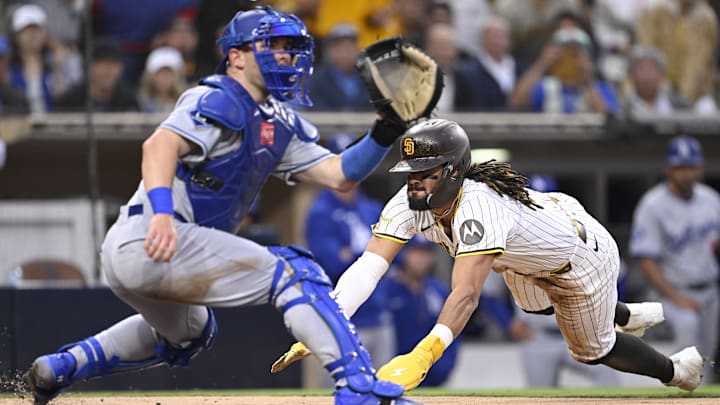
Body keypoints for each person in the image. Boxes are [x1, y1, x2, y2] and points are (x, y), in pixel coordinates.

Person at [22, 6, 418, 405]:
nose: (286, 56)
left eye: (291, 48)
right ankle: (359, 386)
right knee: (297, 272)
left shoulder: (275, 120)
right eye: (274, 46)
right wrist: (162, 213)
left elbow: (339, 174)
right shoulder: (219, 97)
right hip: (158, 234)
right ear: (237, 56)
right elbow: (159, 145)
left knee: (191, 332)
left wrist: (383, 130)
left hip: (145, 250)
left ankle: (62, 366)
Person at [272, 118, 705, 392]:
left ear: (454, 171)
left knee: (590, 351)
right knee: (532, 306)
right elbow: (369, 267)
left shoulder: (478, 205)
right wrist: (328, 319)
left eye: (426, 173)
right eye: (410, 173)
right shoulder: (409, 202)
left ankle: (677, 369)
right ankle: (623, 311)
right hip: (528, 248)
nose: (414, 183)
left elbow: (466, 294)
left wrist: (424, 353)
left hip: (579, 258)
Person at [629, 135, 720, 384]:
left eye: (691, 167)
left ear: (700, 168)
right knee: (686, 352)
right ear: (669, 169)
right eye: (680, 168)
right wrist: (676, 297)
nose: (686, 174)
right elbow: (646, 261)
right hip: (673, 293)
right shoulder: (653, 204)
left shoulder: (711, 200)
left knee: (707, 359)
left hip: (710, 291)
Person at [305, 133, 394, 371]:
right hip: (344, 319)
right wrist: (370, 255)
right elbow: (333, 262)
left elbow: (394, 255)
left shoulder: (371, 207)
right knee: (344, 387)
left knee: (386, 385)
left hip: (380, 313)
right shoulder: (320, 211)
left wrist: (354, 253)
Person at [385, 235, 460, 387]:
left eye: (425, 253)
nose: (420, 259)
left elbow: (454, 330)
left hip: (433, 375)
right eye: (415, 252)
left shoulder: (439, 291)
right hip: (392, 373)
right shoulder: (387, 289)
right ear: (404, 254)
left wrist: (444, 368)